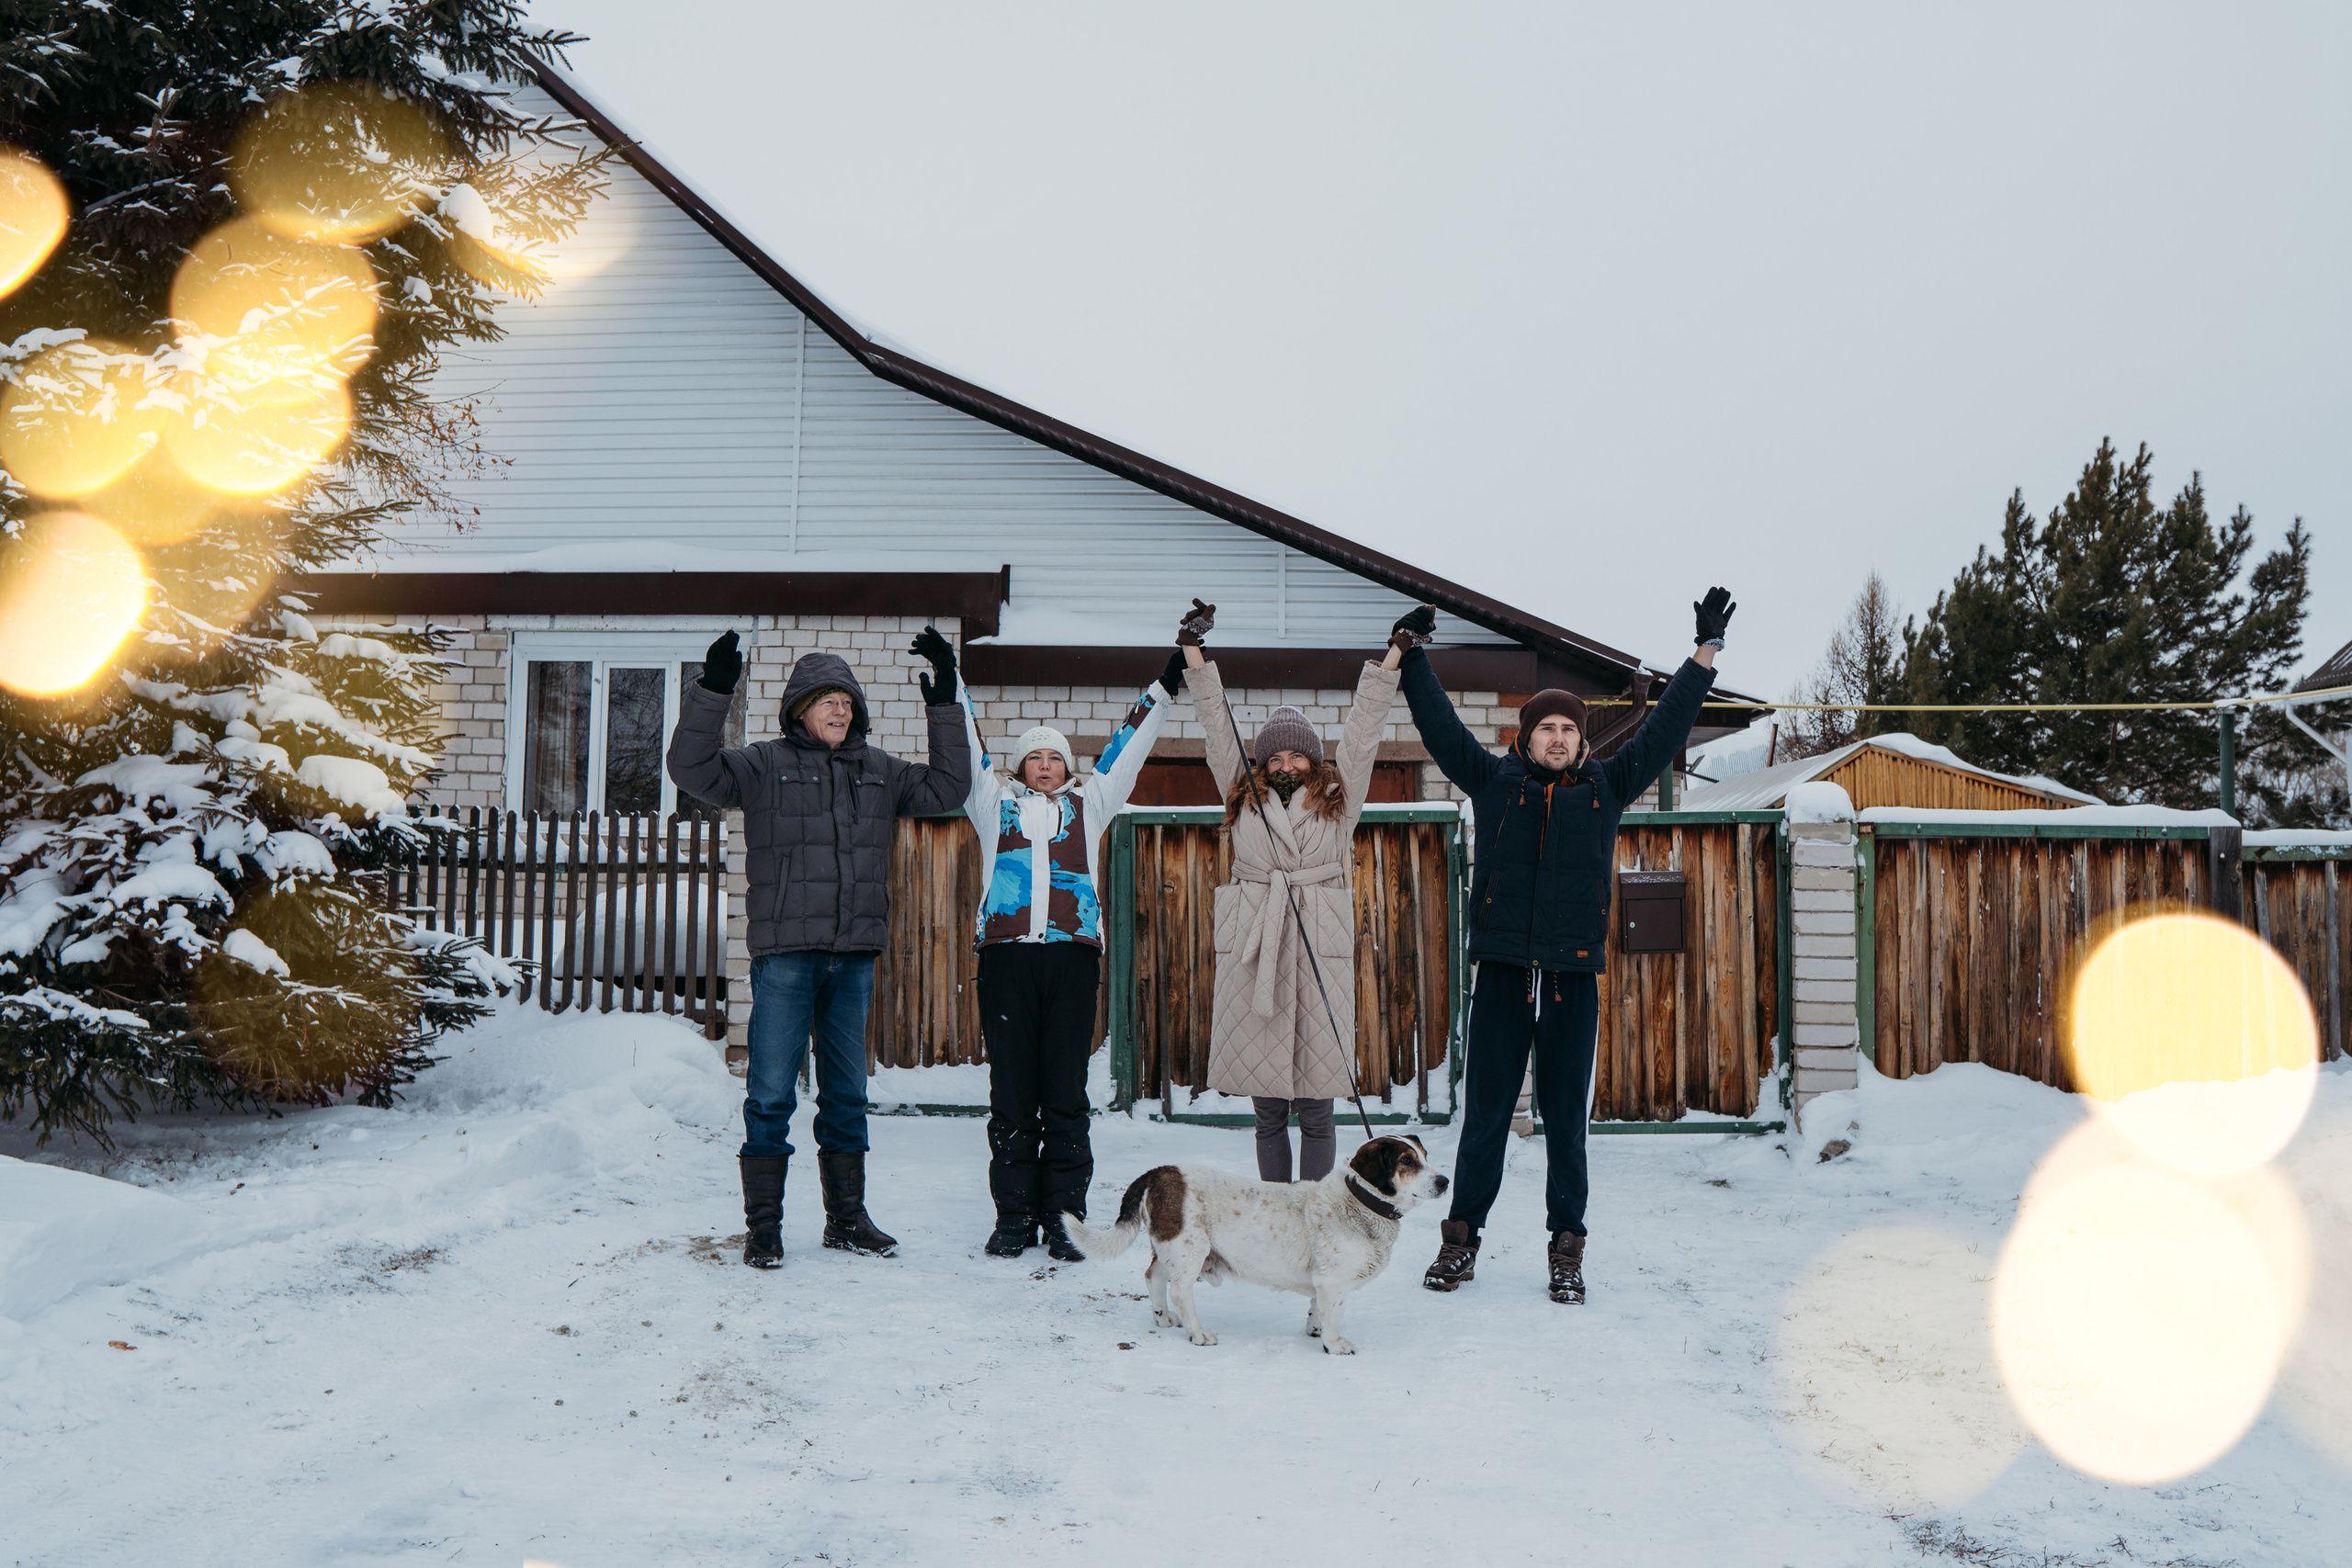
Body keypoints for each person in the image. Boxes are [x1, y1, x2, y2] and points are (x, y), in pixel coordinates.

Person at [1402, 588, 1734, 1305]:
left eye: (1567, 729)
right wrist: (1412, 656)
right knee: (1485, 1116)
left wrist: (1704, 652)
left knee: (1565, 1126)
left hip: (1571, 980)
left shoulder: (1606, 788)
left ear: (1583, 740)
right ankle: (1460, 1242)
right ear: (1525, 737)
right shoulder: (1493, 782)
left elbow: (1669, 722)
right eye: (1545, 727)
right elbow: (1439, 727)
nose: (1557, 737)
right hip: (1501, 977)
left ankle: (1567, 1249)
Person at [666, 626, 972, 1269]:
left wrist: (945, 696)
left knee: (845, 1094)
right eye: (828, 699)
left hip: (853, 956)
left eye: (847, 700)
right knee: (772, 1091)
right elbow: (690, 768)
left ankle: (847, 1219)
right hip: (785, 956)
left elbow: (949, 789)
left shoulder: (880, 772)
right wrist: (714, 689)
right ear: (799, 709)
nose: (841, 708)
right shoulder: (761, 767)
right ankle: (766, 1228)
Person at [957, 637, 1185, 1261]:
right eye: (1033, 758)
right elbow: (968, 746)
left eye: (1054, 757)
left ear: (1066, 765)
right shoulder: (992, 804)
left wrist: (1164, 686)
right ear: (1020, 768)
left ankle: (1063, 1218)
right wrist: (951, 678)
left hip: (1070, 960)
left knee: (1063, 1089)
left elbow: (1128, 747)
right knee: (1011, 1091)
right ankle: (1013, 1217)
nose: (1045, 765)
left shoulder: (1090, 804)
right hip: (1005, 961)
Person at [1181, 599, 1405, 1185]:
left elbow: (1362, 733)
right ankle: (1276, 1209)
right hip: (1258, 942)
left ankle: (1316, 1209)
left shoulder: (1339, 799)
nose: (1285, 764)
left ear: (1313, 759)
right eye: (1274, 755)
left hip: (1316, 946)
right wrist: (1193, 652)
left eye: (1296, 754)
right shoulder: (1241, 793)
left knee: (1319, 1104)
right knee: (1267, 1108)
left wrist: (1395, 655)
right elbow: (1215, 722)